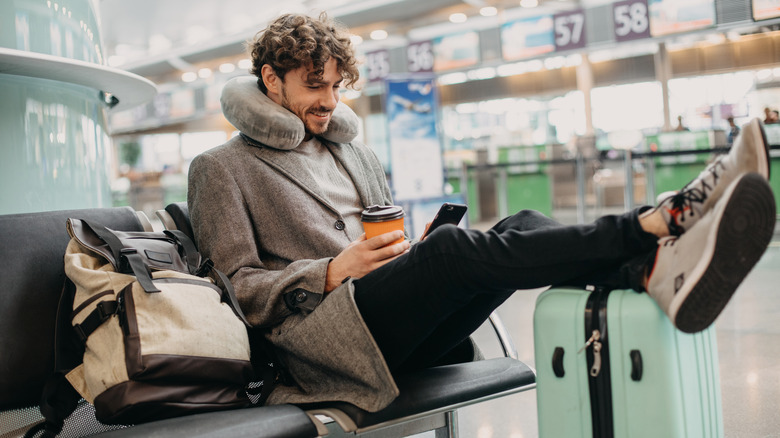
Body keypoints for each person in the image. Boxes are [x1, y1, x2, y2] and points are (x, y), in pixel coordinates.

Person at [187, 13, 775, 412]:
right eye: (316, 86)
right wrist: (331, 271)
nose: (330, 102)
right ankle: (654, 223)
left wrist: (405, 256)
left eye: (338, 87)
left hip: (386, 318)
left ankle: (648, 270)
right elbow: (234, 291)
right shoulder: (221, 168)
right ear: (270, 79)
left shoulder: (351, 151)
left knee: (517, 223)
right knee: (450, 253)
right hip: (321, 348)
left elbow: (379, 243)